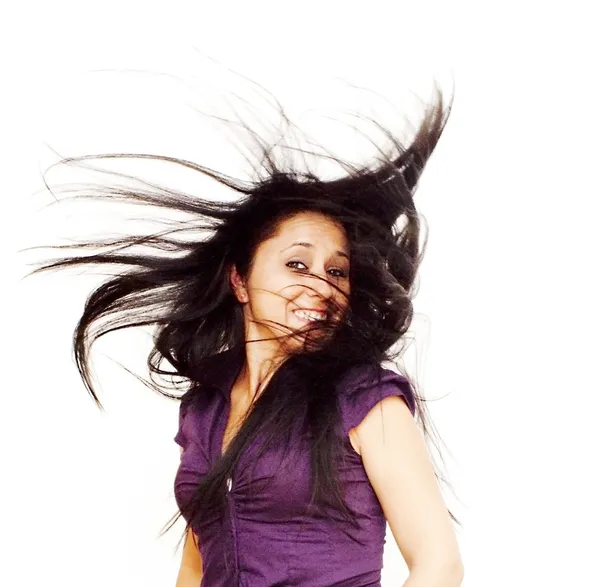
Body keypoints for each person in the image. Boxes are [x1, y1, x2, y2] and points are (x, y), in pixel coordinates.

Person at [29, 82, 463, 586]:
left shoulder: (366, 399)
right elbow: (194, 566)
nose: (321, 286)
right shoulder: (204, 406)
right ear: (240, 279)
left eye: (337, 272)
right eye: (297, 264)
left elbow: (438, 564)